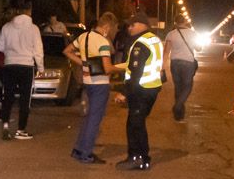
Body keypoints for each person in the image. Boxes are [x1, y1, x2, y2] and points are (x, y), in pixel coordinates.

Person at [63, 12, 117, 164]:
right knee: (95, 119)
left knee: (88, 118)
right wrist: (121, 68)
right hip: (100, 83)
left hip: (88, 81)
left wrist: (83, 63)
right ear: (107, 27)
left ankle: (78, 149)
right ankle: (86, 153)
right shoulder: (102, 42)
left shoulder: (83, 37)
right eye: (111, 29)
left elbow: (67, 51)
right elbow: (107, 68)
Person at [113, 11, 164, 170]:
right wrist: (113, 68)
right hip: (151, 88)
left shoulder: (140, 43)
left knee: (135, 124)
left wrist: (123, 92)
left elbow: (135, 72)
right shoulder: (154, 39)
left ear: (142, 25)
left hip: (141, 90)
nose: (129, 27)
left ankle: (138, 158)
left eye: (132, 24)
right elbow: (134, 64)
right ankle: (141, 158)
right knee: (137, 123)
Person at [0, 3, 44, 140]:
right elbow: (38, 50)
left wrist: (10, 52)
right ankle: (21, 130)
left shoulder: (7, 27)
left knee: (8, 95)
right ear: (29, 11)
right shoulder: (34, 29)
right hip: (26, 66)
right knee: (24, 99)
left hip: (10, 65)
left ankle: (5, 124)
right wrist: (40, 67)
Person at [162, 17, 200, 122]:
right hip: (188, 63)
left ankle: (179, 115)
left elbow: (166, 52)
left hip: (175, 63)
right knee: (187, 86)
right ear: (185, 22)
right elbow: (199, 48)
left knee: (178, 87)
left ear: (175, 22)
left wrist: (162, 67)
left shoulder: (171, 34)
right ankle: (177, 106)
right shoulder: (193, 33)